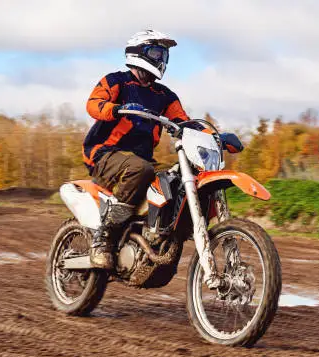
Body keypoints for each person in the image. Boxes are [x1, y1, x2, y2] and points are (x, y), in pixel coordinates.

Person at [82, 29, 218, 269]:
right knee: (141, 169)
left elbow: (183, 122)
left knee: (173, 181)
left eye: (164, 54)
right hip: (104, 153)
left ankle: (153, 239)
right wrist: (114, 109)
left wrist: (214, 137)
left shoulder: (164, 95)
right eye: (156, 52)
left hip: (140, 161)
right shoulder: (117, 81)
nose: (161, 59)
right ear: (137, 52)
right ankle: (103, 238)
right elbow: (93, 104)